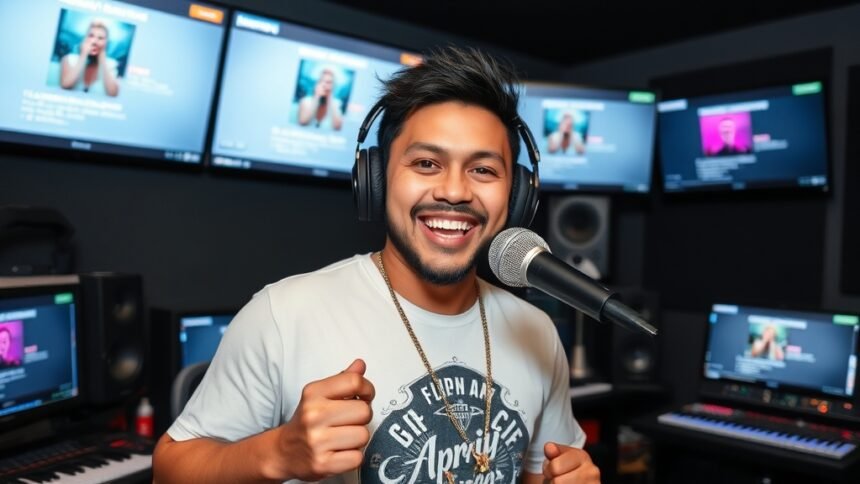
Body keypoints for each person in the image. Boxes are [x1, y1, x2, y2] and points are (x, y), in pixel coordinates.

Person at [153, 46, 600, 484]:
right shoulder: (283, 314)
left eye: (483, 170)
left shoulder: (537, 332)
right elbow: (170, 469)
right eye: (426, 163)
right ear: (377, 179)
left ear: (517, 196)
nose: (455, 191)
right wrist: (276, 453)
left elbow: (529, 471)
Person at [59, 20, 120, 97]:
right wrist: (83, 54)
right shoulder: (69, 59)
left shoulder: (111, 64)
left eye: (100, 38)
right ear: (84, 39)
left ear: (106, 43)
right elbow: (65, 85)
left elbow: (113, 93)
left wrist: (102, 57)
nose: (94, 41)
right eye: (91, 36)